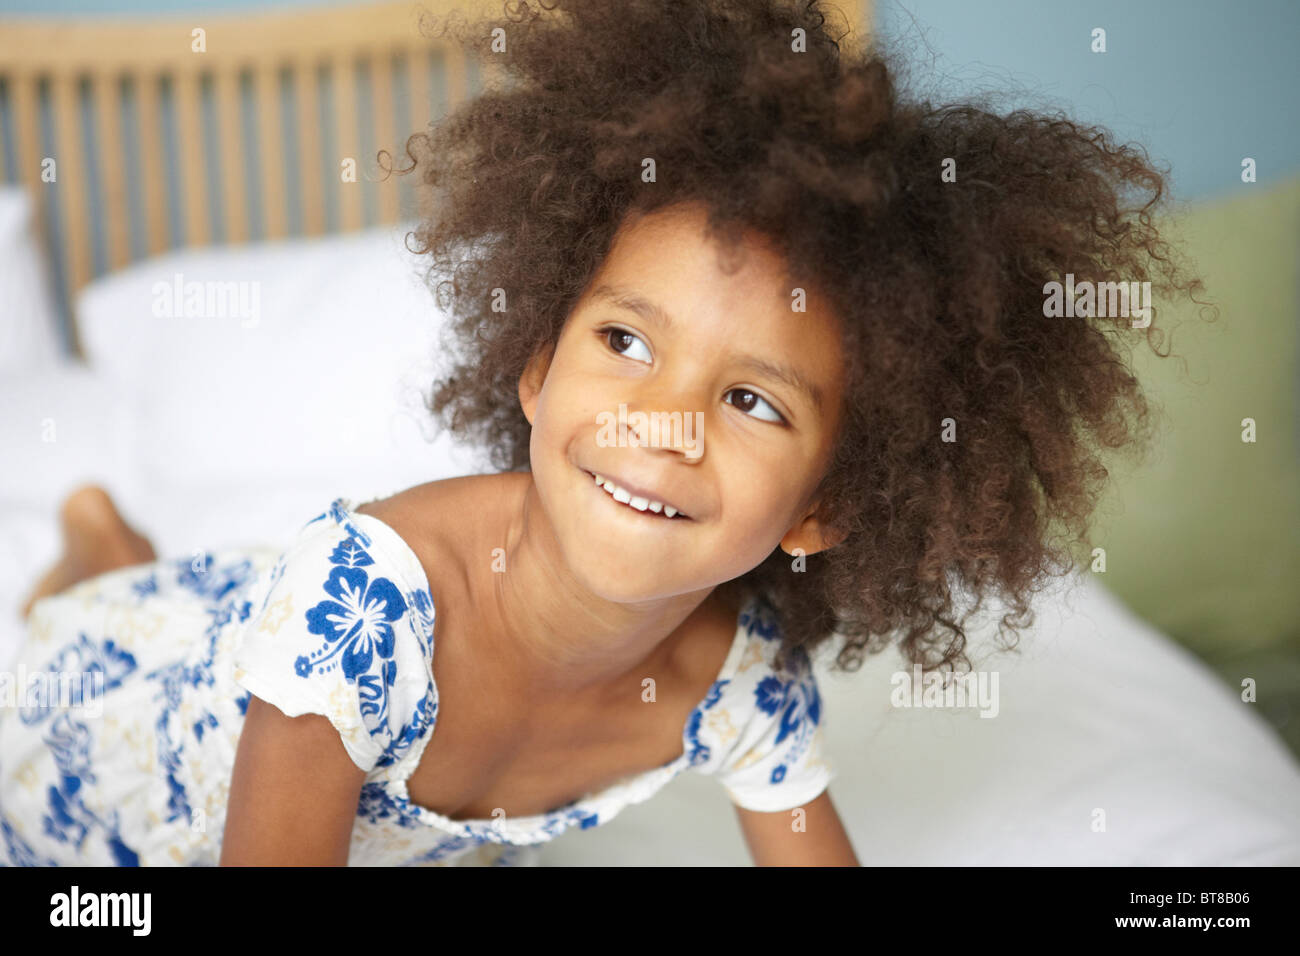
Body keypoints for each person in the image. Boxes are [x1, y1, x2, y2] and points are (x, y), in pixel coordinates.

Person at [0, 0, 1208, 867]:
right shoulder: (356, 611)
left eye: (753, 400)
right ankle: (95, 546)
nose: (666, 420)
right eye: (625, 341)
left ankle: (115, 540)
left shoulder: (738, 682)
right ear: (534, 364)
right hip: (95, 776)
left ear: (822, 510)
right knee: (94, 629)